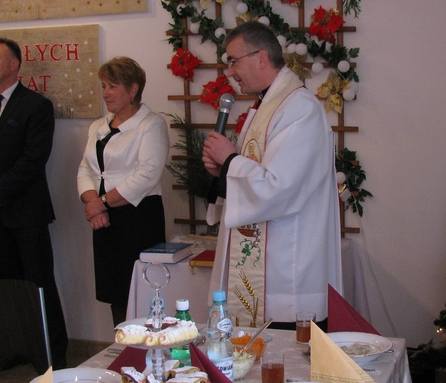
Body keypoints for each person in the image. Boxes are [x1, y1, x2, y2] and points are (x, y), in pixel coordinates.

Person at [202, 21, 342, 328]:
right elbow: (259, 171)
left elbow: (280, 187)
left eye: (233, 61)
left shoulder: (299, 109)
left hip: (286, 271)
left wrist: (231, 161)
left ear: (261, 58)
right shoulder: (268, 106)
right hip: (270, 267)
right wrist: (224, 170)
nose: (230, 72)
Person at [0, 37, 68, 368]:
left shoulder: (35, 106)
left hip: (26, 212)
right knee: (5, 286)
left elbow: (33, 159)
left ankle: (53, 355)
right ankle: (17, 350)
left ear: (14, 64)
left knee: (38, 284)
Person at [77, 57, 169, 326]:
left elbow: (148, 174)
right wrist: (94, 204)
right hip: (103, 218)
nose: (105, 93)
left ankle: (146, 344)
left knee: (141, 292)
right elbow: (86, 169)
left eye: (112, 86)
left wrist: (102, 203)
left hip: (137, 218)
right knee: (115, 293)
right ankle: (122, 344)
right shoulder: (98, 126)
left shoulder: (151, 124)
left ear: (133, 90)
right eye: (104, 86)